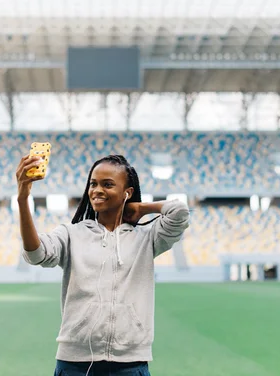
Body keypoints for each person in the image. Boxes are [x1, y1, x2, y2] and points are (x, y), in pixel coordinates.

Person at [16, 153, 190, 376]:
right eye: (93, 184)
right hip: (74, 364)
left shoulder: (147, 238)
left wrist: (141, 208)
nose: (96, 190)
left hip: (130, 364)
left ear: (127, 192)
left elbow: (179, 212)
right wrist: (22, 199)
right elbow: (35, 253)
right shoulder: (71, 233)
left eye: (107, 184)